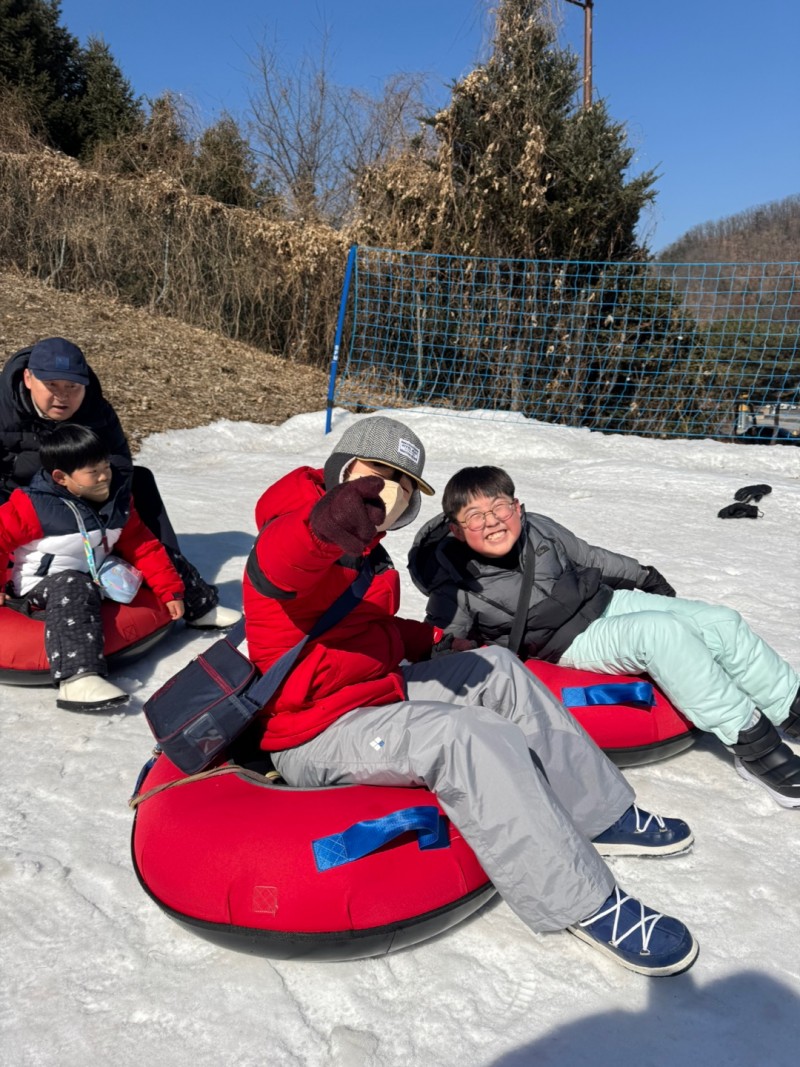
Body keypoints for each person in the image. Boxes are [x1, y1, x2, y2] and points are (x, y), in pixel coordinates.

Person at [243, 415, 698, 977]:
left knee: (497, 668)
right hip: (315, 729)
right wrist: (321, 528)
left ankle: (601, 813)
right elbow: (280, 567)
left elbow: (356, 628)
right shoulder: (300, 530)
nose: (386, 489)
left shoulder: (369, 552)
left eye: (403, 482)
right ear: (341, 469)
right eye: (375, 472)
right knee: (467, 735)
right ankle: (585, 903)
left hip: (369, 694)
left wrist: (429, 639)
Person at [408, 464, 800, 809]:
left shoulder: (540, 527)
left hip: (608, 601)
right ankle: (753, 745)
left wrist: (645, 577)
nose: (492, 521)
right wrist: (449, 653)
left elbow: (591, 557)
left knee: (720, 621)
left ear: (518, 508)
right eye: (475, 516)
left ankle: (788, 705)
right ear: (458, 531)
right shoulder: (455, 584)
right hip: (569, 641)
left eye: (499, 508)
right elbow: (442, 639)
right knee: (662, 633)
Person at [0, 337, 240, 629]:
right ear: (28, 378)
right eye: (52, 386)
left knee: (140, 482)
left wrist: (98, 493)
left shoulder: (97, 411)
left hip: (84, 493)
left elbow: (120, 462)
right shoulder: (4, 411)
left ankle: (171, 579)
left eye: (72, 387)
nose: (62, 396)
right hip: (18, 496)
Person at [0, 423, 185, 711]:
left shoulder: (115, 502)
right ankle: (78, 678)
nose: (104, 477)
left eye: (106, 467)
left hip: (94, 574)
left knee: (164, 556)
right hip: (42, 587)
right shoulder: (33, 507)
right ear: (61, 477)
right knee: (72, 581)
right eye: (93, 472)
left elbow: (142, 545)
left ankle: (203, 607)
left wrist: (171, 591)